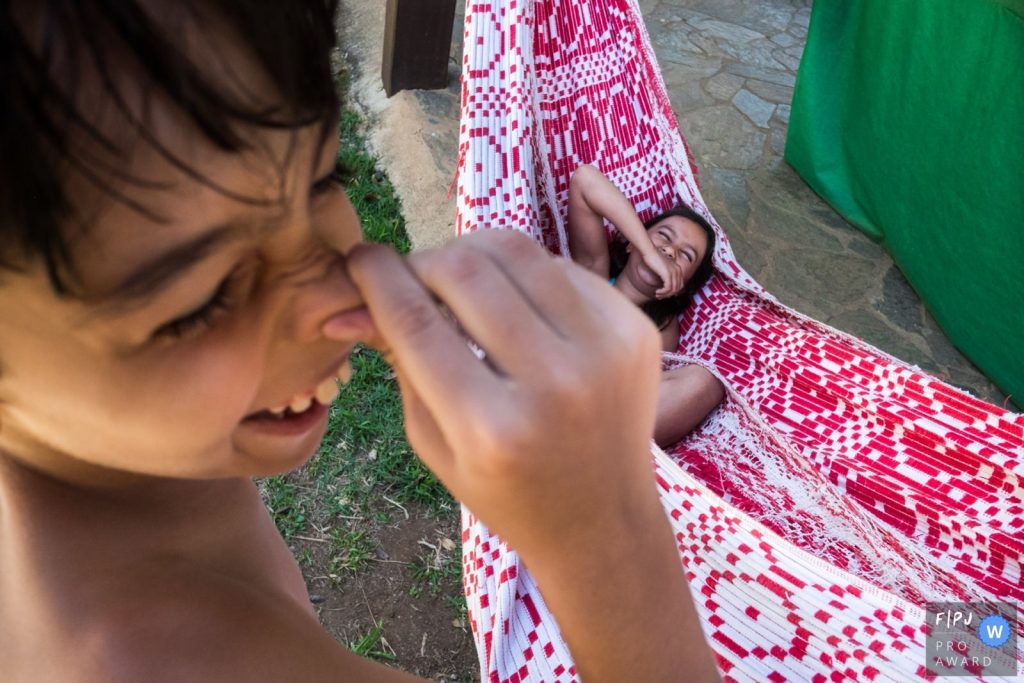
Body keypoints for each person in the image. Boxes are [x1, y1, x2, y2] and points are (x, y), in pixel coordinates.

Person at [0, 2, 722, 682]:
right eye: (203, 299)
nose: (348, 291)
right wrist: (605, 535)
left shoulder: (107, 451)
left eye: (323, 177)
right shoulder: (175, 663)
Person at [568, 164, 726, 446]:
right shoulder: (593, 273)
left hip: (587, 417)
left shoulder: (660, 331)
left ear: (683, 286)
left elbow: (636, 397)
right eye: (664, 236)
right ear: (630, 243)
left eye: (686, 256)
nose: (670, 250)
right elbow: (585, 180)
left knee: (705, 383)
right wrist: (649, 252)